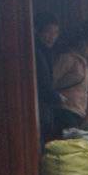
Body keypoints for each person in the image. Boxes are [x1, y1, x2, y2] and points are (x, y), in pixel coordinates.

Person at [52, 20, 88, 130]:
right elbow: (51, 81)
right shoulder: (67, 58)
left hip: (78, 112)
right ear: (84, 43)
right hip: (65, 112)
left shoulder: (82, 61)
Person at [33, 12, 63, 141]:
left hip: (45, 109)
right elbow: (43, 84)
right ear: (37, 31)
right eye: (48, 32)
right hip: (38, 108)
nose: (52, 37)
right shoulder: (37, 53)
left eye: (55, 33)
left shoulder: (46, 52)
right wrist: (57, 97)